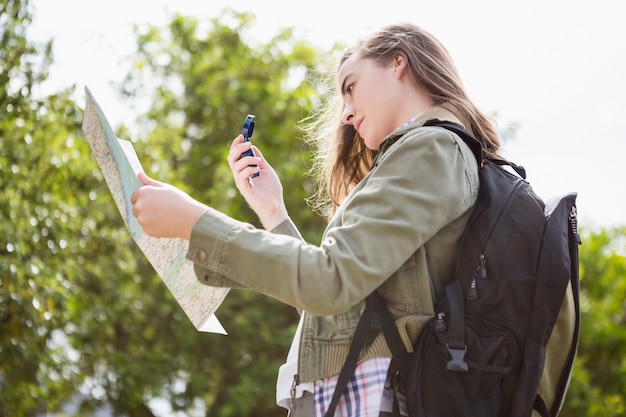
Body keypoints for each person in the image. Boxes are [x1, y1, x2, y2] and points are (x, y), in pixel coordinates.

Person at [131, 22, 501, 417]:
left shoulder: (431, 148)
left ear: (398, 62)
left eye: (350, 87)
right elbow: (339, 310)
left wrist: (194, 221)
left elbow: (328, 282)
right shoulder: (431, 153)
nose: (344, 113)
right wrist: (273, 211)